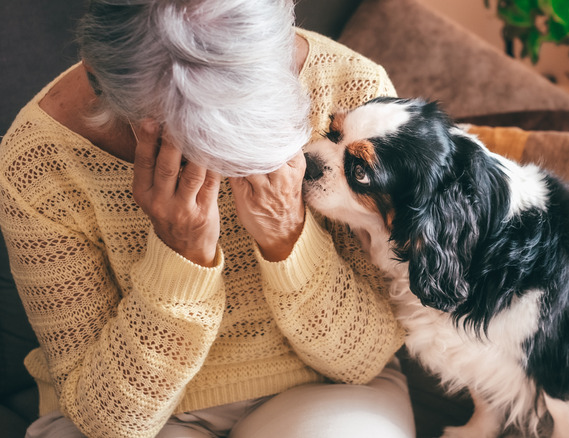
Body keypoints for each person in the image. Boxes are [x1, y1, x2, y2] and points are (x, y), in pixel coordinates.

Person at [0, 0, 414, 437]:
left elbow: (364, 356)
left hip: (329, 388)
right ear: (101, 83)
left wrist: (287, 236)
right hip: (141, 413)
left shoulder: (351, 96)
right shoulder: (35, 163)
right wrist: (181, 256)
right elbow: (108, 421)